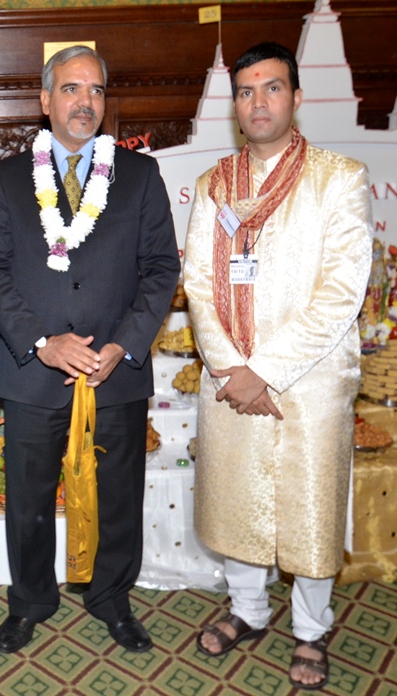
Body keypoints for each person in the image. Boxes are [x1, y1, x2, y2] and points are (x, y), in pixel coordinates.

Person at [0, 45, 179, 655]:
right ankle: (30, 600)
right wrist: (41, 343)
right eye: (70, 88)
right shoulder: (9, 178)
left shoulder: (139, 176)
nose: (84, 100)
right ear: (45, 100)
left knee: (119, 493)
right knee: (29, 496)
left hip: (115, 370)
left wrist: (125, 343)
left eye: (94, 90)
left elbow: (162, 268)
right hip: (34, 371)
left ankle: (112, 598)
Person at [183, 42, 371, 691]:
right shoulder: (214, 186)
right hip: (229, 379)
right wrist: (233, 369)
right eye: (245, 91)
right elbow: (199, 284)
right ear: (233, 105)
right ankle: (248, 609)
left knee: (309, 508)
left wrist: (264, 372)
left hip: (309, 383)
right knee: (237, 500)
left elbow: (343, 291)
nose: (257, 102)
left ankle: (313, 630)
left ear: (295, 97)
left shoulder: (337, 176)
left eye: (271, 88)